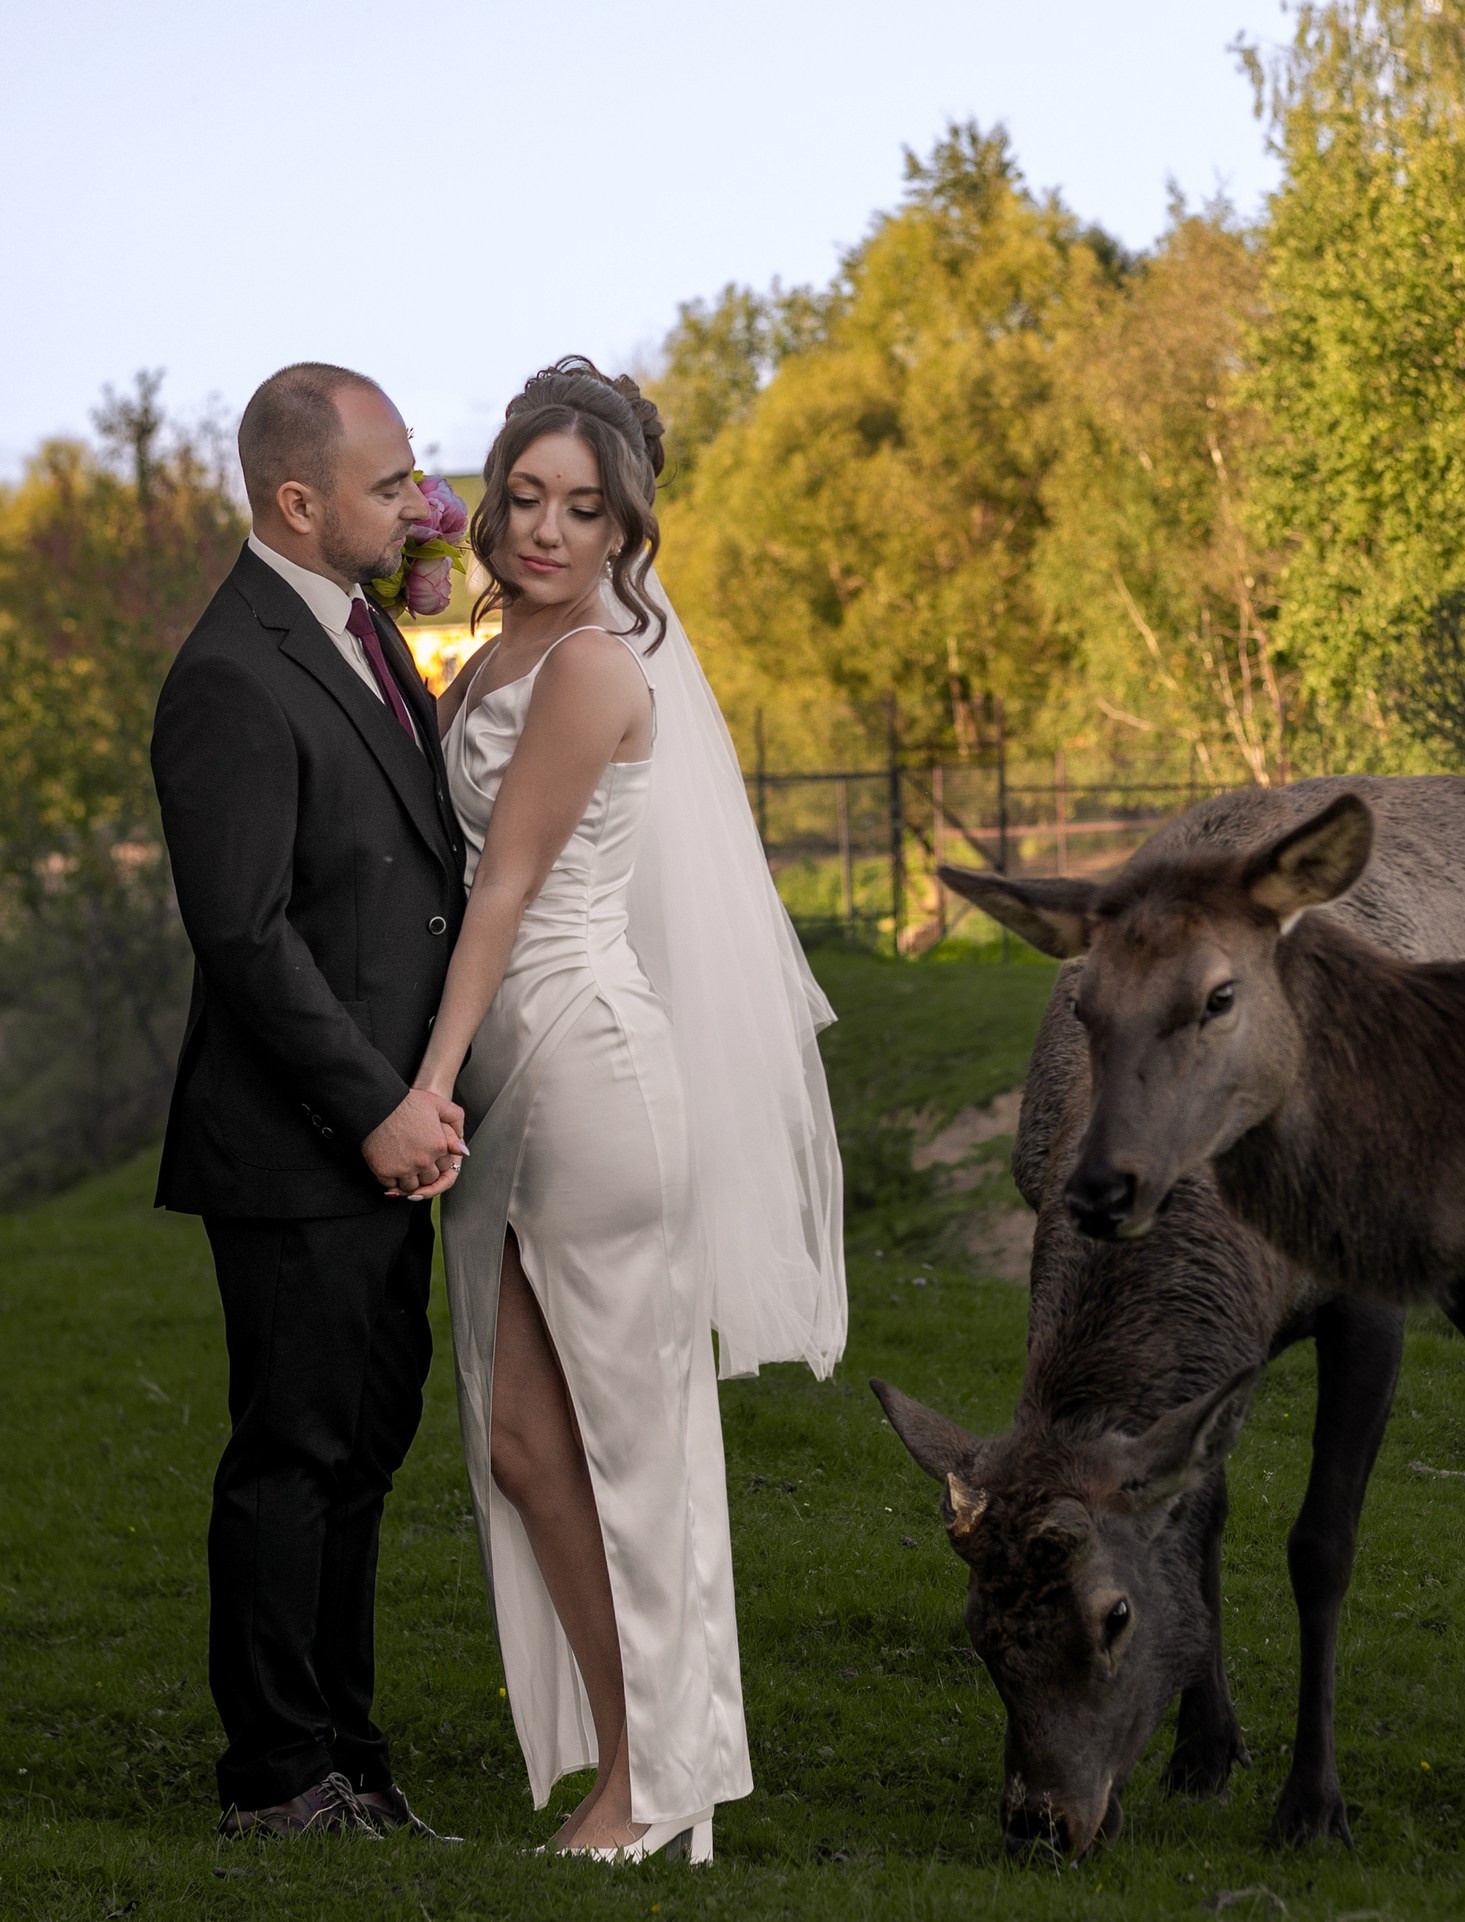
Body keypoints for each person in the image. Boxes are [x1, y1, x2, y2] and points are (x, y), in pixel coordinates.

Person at [418, 358, 845, 1864]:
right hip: (507, 1074)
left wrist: (422, 1085)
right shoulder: (502, 642)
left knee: (637, 1448)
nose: (542, 528)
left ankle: (667, 1784)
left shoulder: (597, 664)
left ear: (623, 531)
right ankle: (629, 1756)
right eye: (521, 496)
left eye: (581, 508)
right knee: (528, 1447)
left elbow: (505, 890)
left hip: (583, 1067)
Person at [151, 363, 469, 1839]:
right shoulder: (229, 672)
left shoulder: (356, 628)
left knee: (361, 1451)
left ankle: (350, 1750)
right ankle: (275, 1777)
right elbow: (246, 935)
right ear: (298, 500)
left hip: (387, 1138)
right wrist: (377, 1107)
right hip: (300, 1145)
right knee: (292, 1460)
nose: (424, 500)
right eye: (393, 481)